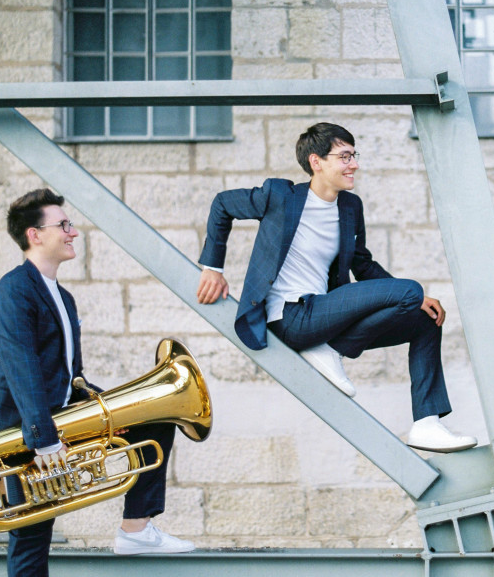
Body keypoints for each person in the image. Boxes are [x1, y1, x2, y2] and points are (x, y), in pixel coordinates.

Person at [196, 122, 476, 453]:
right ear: (316, 162)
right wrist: (213, 268)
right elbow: (223, 204)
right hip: (290, 317)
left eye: (354, 155)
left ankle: (426, 424)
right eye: (344, 157)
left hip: (325, 316)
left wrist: (417, 299)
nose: (353, 164)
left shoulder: (349, 207)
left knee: (425, 319)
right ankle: (328, 348)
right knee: (410, 291)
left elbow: (362, 264)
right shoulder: (280, 196)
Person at [0, 189, 193, 577]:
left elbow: (68, 375)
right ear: (35, 234)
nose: (73, 232)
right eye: (63, 225)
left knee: (155, 418)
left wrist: (116, 407)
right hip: (19, 427)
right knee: (32, 533)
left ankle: (136, 530)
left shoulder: (64, 297)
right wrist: (44, 439)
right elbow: (21, 368)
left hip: (53, 416)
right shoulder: (14, 289)